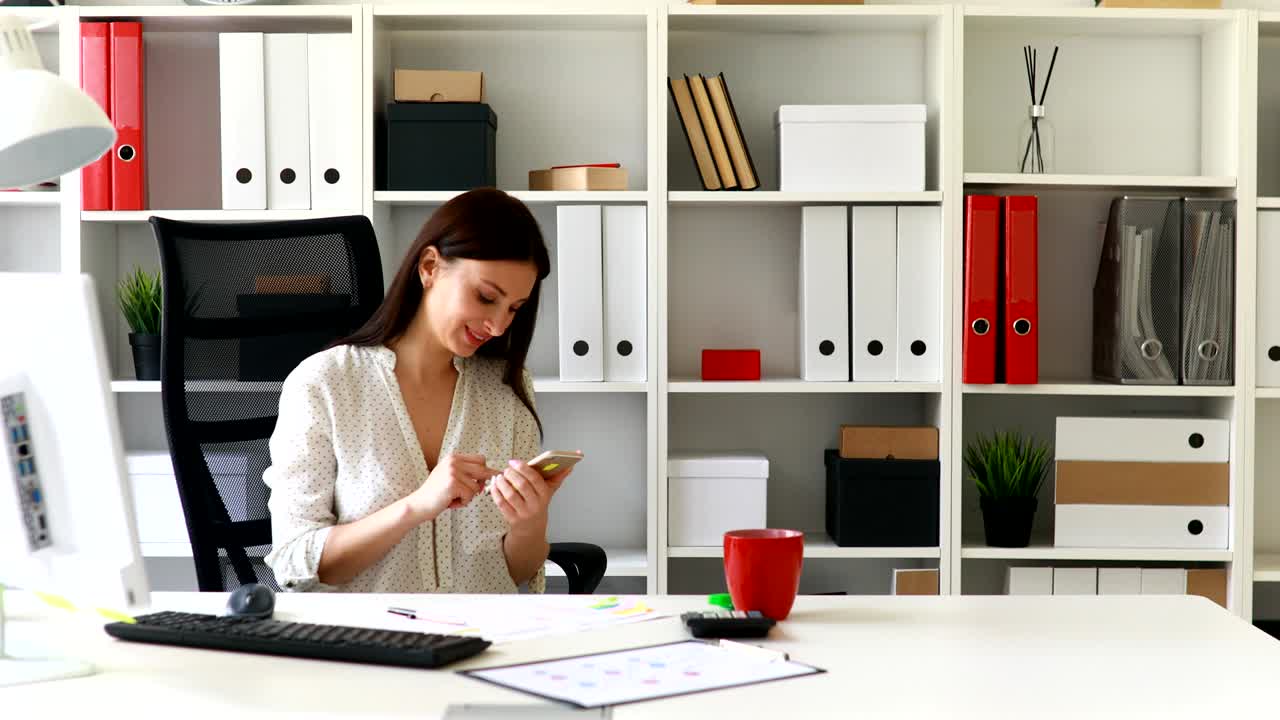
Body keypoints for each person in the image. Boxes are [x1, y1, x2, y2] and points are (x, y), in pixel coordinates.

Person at [263, 188, 573, 593]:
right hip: (374, 644)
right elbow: (295, 563)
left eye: (514, 308)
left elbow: (515, 573)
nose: (498, 326)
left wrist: (530, 522)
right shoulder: (325, 383)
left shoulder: (506, 388)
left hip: (485, 638)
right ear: (430, 267)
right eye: (485, 297)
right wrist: (416, 506)